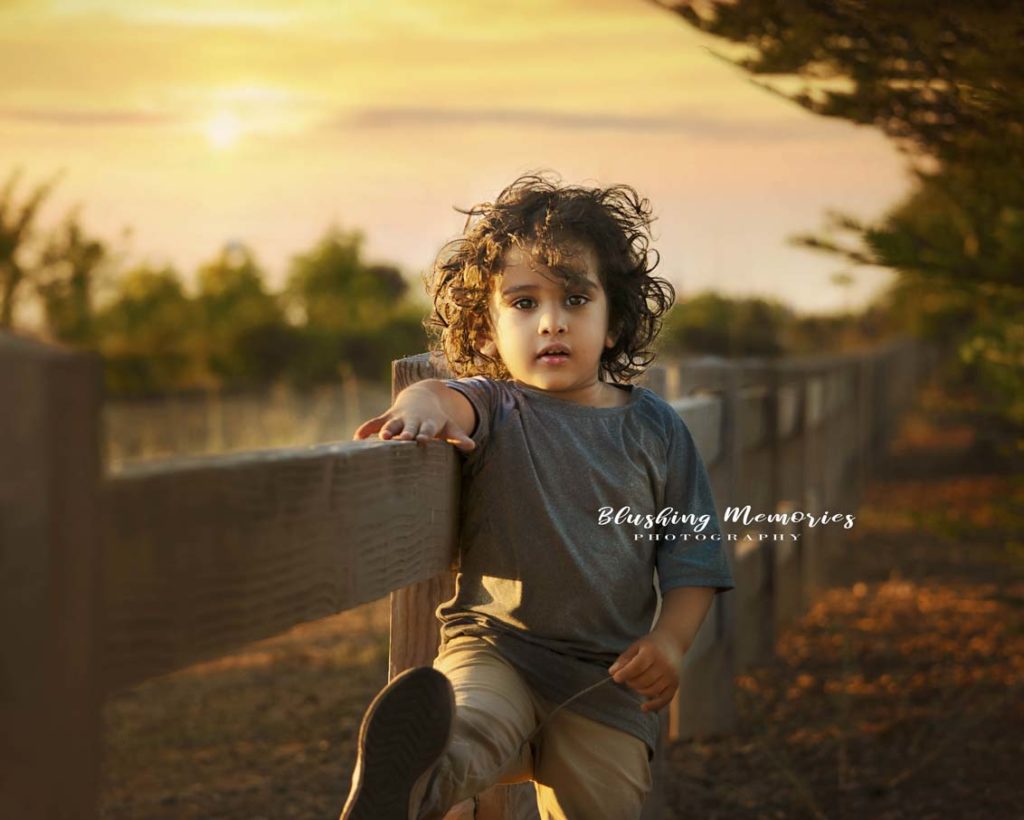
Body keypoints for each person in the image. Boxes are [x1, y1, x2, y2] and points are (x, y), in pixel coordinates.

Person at [342, 172, 735, 820]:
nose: (551, 321)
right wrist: (418, 405)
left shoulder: (657, 429)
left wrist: (669, 642)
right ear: (489, 326)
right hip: (497, 647)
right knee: (466, 729)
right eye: (524, 303)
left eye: (575, 299)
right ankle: (407, 789)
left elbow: (693, 554)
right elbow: (445, 399)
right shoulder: (495, 405)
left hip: (608, 681)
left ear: (614, 322)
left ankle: (424, 782)